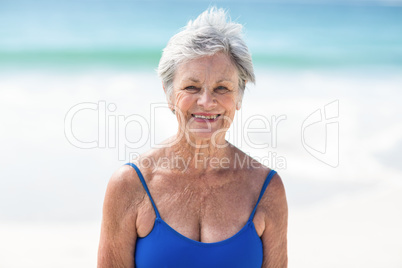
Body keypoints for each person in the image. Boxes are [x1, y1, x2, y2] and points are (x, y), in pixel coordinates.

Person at [97, 7, 288, 268]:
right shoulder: (131, 185)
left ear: (240, 96)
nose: (207, 102)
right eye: (191, 87)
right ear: (169, 94)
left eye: (222, 88)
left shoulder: (267, 189)